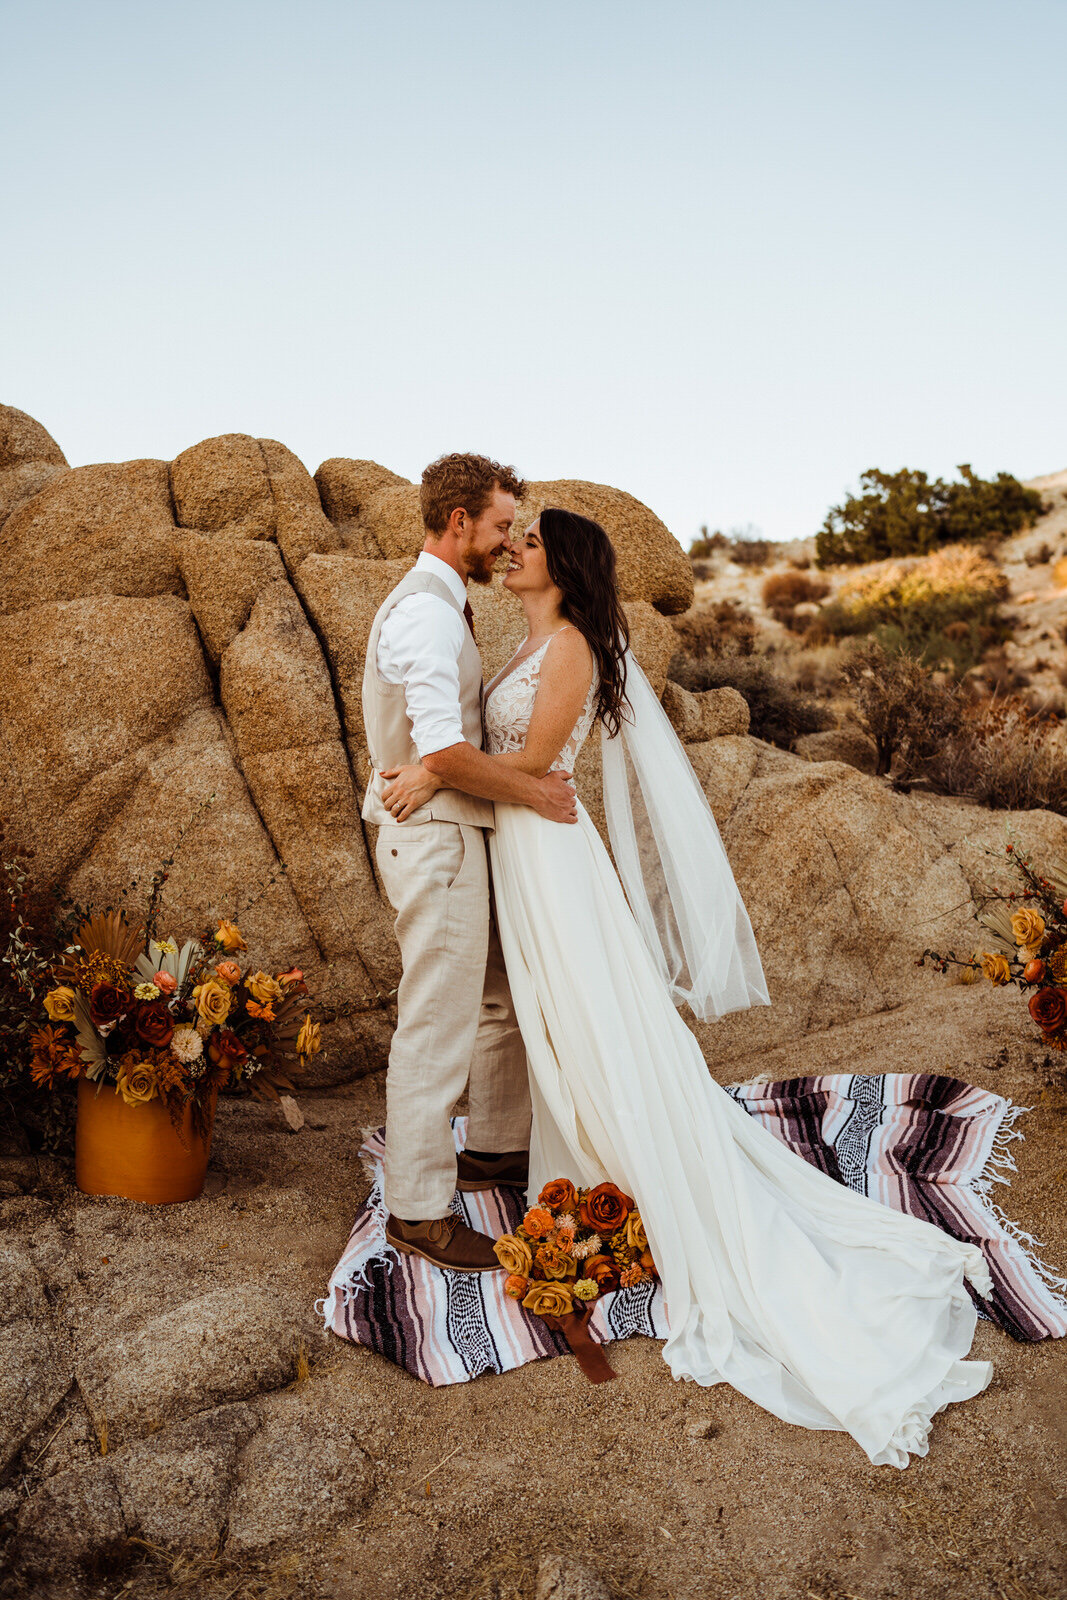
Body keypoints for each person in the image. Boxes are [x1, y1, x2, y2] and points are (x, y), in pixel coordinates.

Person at [380, 506, 996, 1469]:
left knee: (592, 1015)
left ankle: (642, 1158)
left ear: (564, 564)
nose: (512, 550)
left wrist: (433, 775)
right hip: (524, 849)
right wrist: (453, 773)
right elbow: (520, 766)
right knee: (551, 1015)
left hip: (549, 854)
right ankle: (570, 1143)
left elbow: (540, 769)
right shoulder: (528, 638)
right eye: (511, 538)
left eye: (529, 543)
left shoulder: (575, 644)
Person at [361, 453, 576, 1274]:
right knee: (437, 1020)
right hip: (437, 841)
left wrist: (440, 768)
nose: (503, 541)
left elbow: (443, 750)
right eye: (496, 526)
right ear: (459, 523)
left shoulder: (445, 606)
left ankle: (490, 1148)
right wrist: (527, 795)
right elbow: (442, 745)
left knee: (494, 999)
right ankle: (417, 1209)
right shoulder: (425, 614)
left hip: (456, 829)